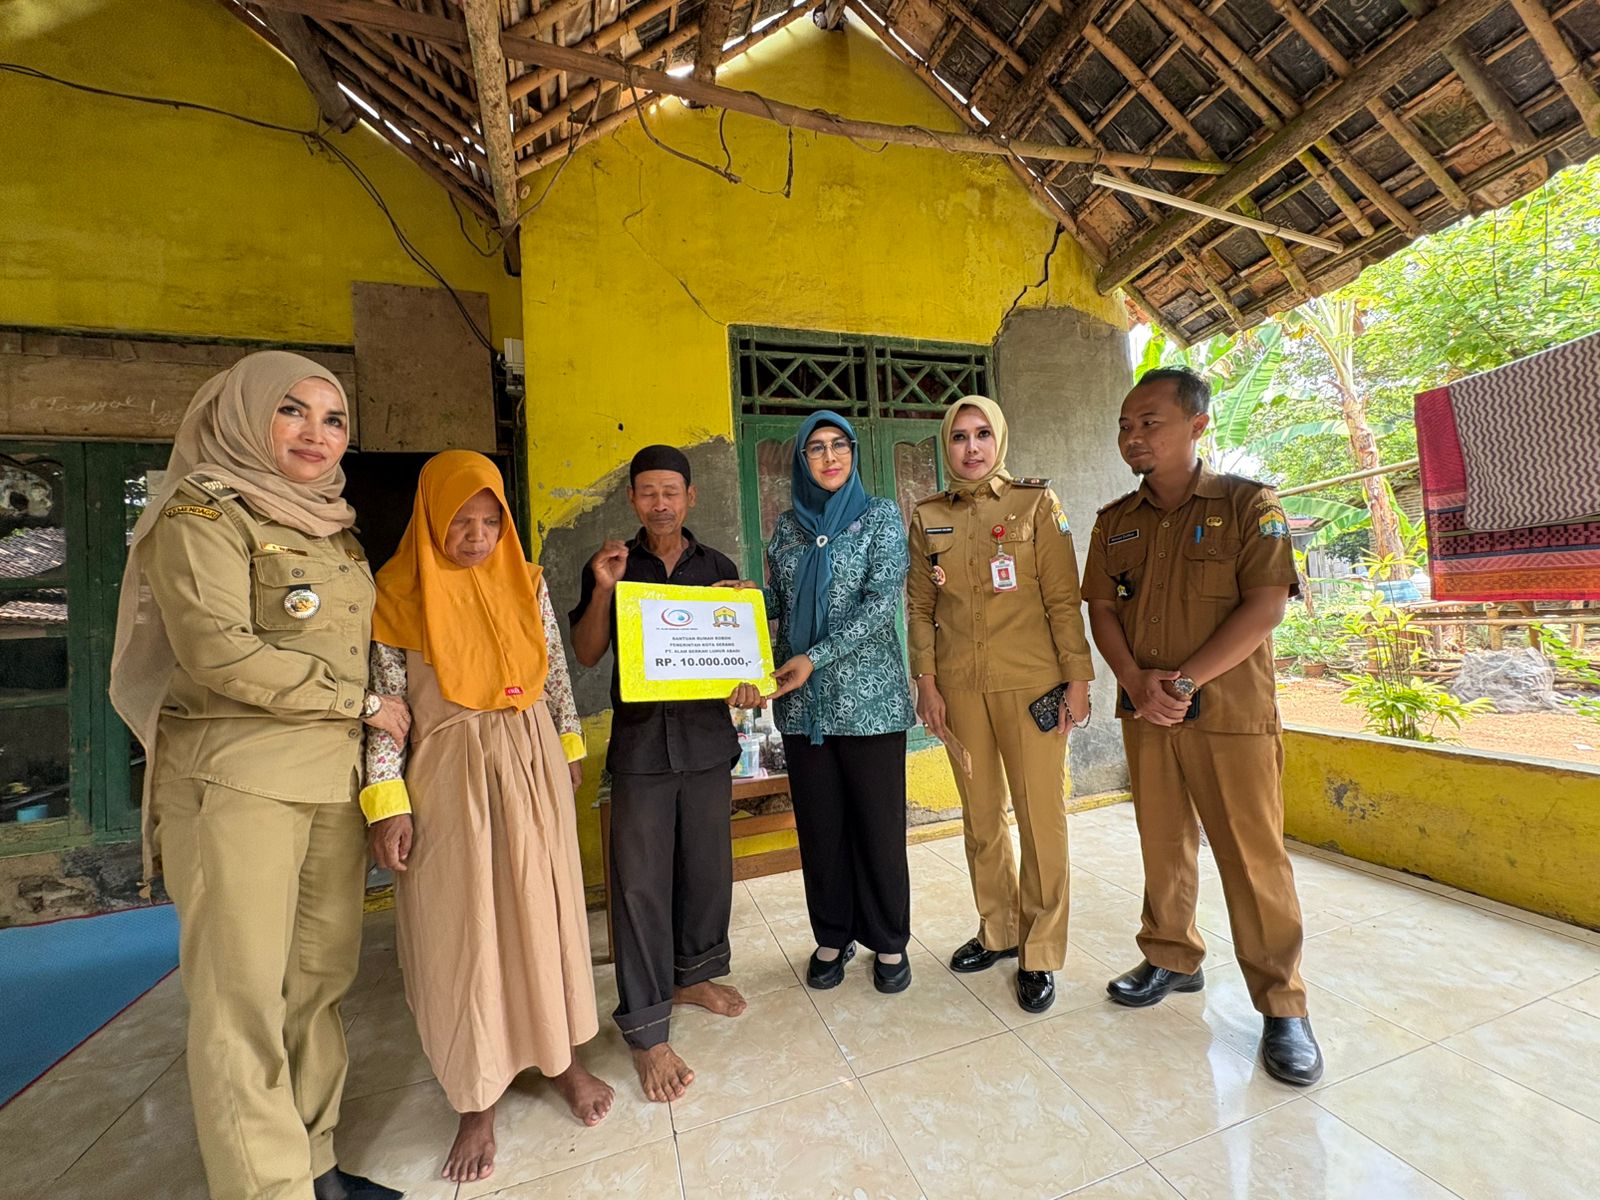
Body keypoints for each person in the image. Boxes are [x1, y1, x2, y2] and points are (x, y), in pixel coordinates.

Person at [109, 352, 404, 1200]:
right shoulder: (199, 512)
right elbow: (218, 651)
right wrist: (362, 705)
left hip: (328, 787)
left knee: (318, 983)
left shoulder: (332, 526)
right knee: (241, 1001)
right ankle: (264, 1188)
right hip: (235, 782)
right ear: (242, 415)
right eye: (292, 412)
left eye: (334, 418)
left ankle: (314, 1165)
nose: (317, 434)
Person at [360, 451, 613, 1185]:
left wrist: (567, 746)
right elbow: (384, 711)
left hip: (531, 760)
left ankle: (563, 1059)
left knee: (546, 912)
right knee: (465, 929)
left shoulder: (524, 580)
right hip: (448, 775)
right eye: (460, 522)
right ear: (432, 519)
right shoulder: (395, 594)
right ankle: (476, 1098)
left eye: (489, 520)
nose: (475, 536)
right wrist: (388, 801)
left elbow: (556, 672)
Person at [1082, 365, 1324, 1086]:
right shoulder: (1114, 522)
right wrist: (1133, 681)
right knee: (1163, 844)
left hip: (1229, 715)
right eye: (1126, 425)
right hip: (1147, 711)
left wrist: (1183, 682)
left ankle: (1283, 1004)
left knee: (1252, 859)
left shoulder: (1252, 506)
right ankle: (1169, 956)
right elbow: (1102, 610)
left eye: (1148, 422)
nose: (1133, 436)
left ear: (1197, 425)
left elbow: (1266, 607)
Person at [568, 445, 747, 1103]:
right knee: (641, 886)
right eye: (648, 492)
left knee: (706, 870)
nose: (661, 503)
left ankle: (692, 975)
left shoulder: (719, 568)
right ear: (633, 501)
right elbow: (587, 654)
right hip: (641, 748)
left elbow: (740, 665)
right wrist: (605, 590)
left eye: (672, 491)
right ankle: (645, 1030)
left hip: (705, 744)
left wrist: (747, 661)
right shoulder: (614, 565)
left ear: (690, 497)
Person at [905, 395, 1093, 1014]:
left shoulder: (1035, 504)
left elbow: (1064, 600)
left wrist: (1078, 678)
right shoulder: (928, 515)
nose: (971, 447)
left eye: (982, 434)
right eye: (959, 436)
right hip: (960, 688)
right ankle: (999, 930)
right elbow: (921, 609)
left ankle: (1039, 950)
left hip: (1032, 684)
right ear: (946, 444)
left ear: (999, 439)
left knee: (1042, 818)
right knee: (981, 817)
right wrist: (926, 683)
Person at [727, 412, 916, 994]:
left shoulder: (880, 516)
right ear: (801, 461)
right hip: (804, 709)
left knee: (878, 828)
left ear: (853, 453)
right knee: (821, 828)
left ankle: (888, 941)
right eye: (816, 449)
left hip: (870, 707)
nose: (829, 457)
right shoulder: (786, 529)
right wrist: (742, 603)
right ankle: (833, 933)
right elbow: (778, 605)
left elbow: (879, 604)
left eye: (839, 446)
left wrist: (817, 656)